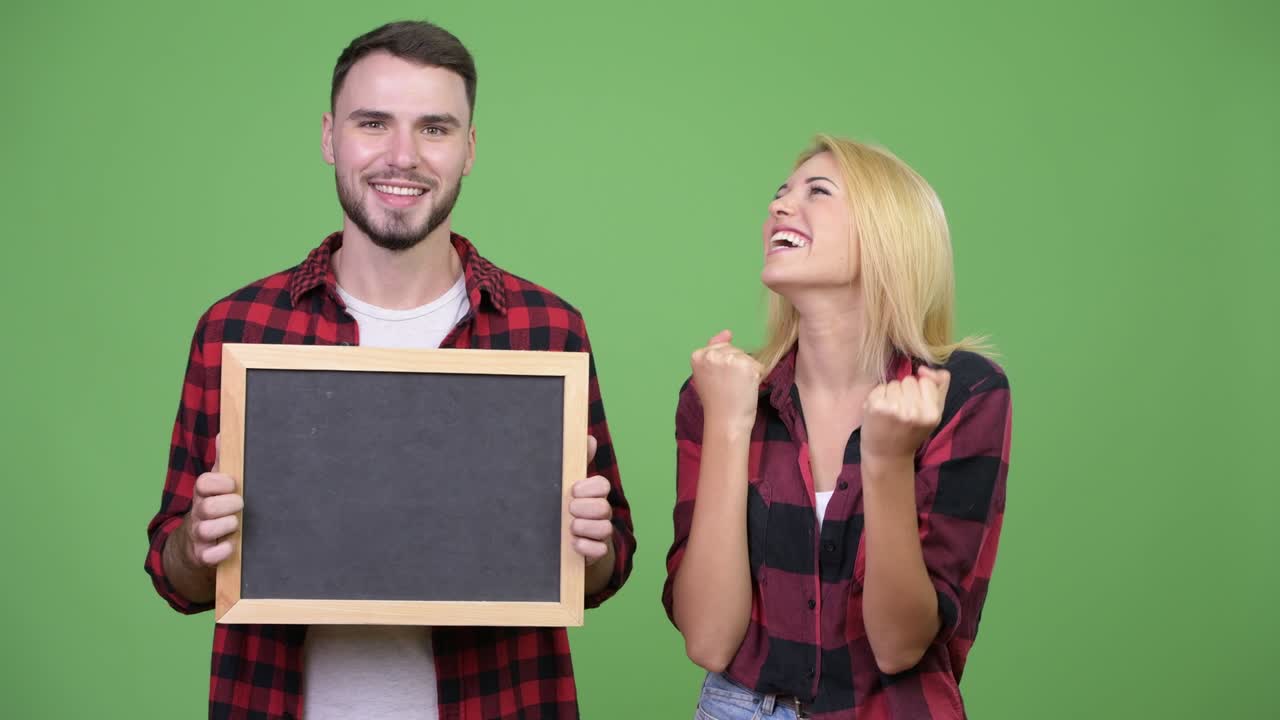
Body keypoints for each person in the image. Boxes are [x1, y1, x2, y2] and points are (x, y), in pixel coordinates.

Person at [143, 20, 635, 719]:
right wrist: (197, 542)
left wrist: (592, 543)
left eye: (434, 129)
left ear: (469, 149)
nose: (402, 156)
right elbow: (176, 574)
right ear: (328, 136)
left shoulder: (546, 331)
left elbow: (601, 573)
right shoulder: (237, 329)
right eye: (373, 123)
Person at [663, 135, 1011, 719]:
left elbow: (899, 646)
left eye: (816, 192)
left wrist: (887, 460)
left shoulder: (964, 393)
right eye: (779, 194)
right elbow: (709, 640)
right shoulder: (720, 393)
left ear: (886, 233)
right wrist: (728, 425)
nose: (779, 206)